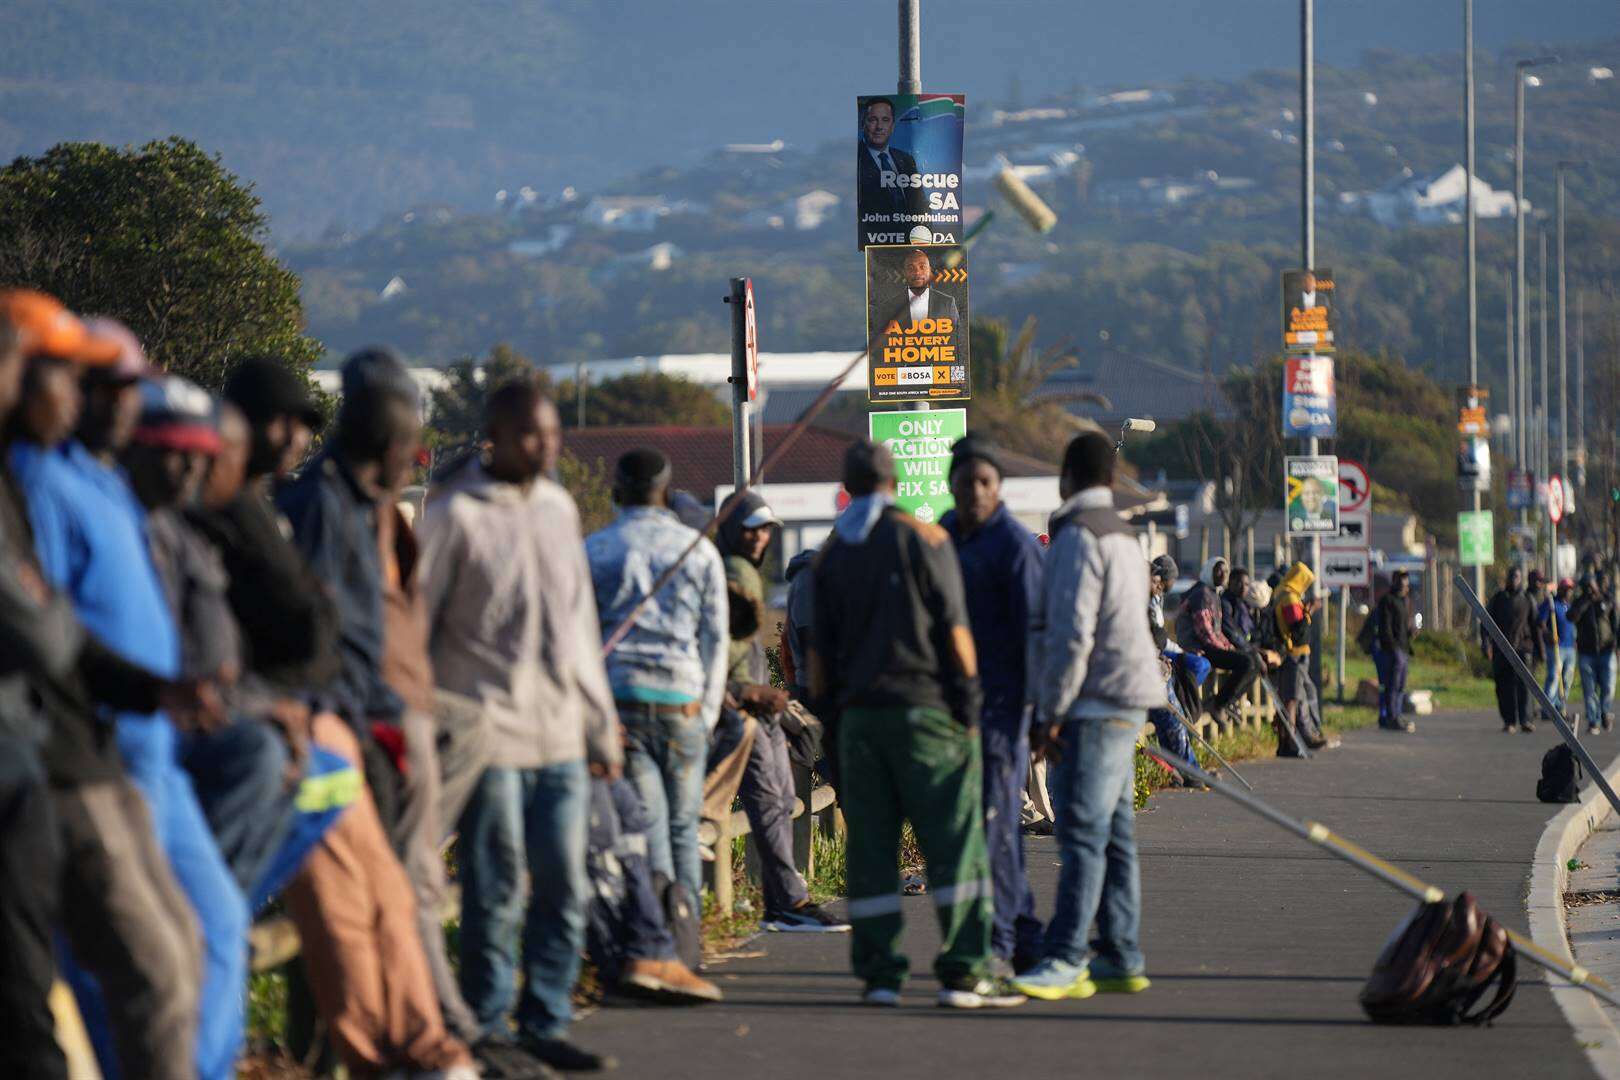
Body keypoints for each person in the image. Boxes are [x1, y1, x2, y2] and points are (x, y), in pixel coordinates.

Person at [10, 318, 250, 1080]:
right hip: (67, 758)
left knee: (196, 939)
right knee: (140, 967)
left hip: (138, 746)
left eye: (122, 388)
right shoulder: (36, 479)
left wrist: (163, 688)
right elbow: (47, 633)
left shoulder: (102, 480)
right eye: (93, 384)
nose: (110, 402)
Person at [275, 349, 476, 1077]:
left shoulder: (368, 511)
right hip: (346, 737)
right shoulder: (320, 510)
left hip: (385, 729)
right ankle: (355, 1051)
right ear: (388, 443)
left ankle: (416, 1042)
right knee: (346, 911)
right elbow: (319, 642)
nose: (413, 457)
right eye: (408, 443)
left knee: (391, 899)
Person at [421, 376, 621, 1073]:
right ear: (496, 438)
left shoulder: (561, 508)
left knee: (564, 884)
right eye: (532, 435)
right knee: (496, 885)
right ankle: (485, 1025)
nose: (546, 447)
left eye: (553, 434)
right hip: (490, 732)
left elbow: (578, 624)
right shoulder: (454, 515)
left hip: (561, 730)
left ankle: (546, 1019)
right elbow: (418, 621)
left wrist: (601, 724)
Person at [810, 439, 1020, 1009]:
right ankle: (967, 971)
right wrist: (972, 711)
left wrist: (834, 724)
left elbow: (818, 661)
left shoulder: (830, 555)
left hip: (858, 722)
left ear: (848, 487)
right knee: (955, 843)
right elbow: (956, 633)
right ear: (896, 481)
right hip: (927, 715)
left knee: (872, 852)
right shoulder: (926, 539)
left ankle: (880, 974)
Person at [1013, 431, 1162, 1003]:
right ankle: (1121, 954)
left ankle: (1067, 956)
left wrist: (1049, 712)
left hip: (1094, 702)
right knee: (1115, 833)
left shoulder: (1077, 536)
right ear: (1111, 478)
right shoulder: (1123, 533)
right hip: (1128, 696)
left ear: (1065, 478)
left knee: (1081, 832)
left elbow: (1071, 633)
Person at [584, 448, 728, 908]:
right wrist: (705, 713)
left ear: (616, 493)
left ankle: (659, 939)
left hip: (622, 706)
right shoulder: (699, 550)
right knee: (684, 827)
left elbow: (579, 638)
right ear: (666, 493)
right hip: (683, 705)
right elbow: (716, 639)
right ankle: (688, 933)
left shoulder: (595, 550)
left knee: (649, 829)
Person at [715, 489, 848, 933]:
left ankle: (786, 901)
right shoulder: (733, 574)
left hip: (753, 706)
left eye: (765, 529)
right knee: (753, 804)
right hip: (736, 708)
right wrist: (756, 692)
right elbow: (714, 655)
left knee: (774, 801)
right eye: (750, 529)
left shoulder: (744, 572)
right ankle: (779, 901)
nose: (759, 538)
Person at [941, 434, 1044, 973]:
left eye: (984, 482)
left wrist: (1042, 714)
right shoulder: (946, 535)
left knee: (996, 826)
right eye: (965, 482)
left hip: (1005, 708)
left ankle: (1000, 944)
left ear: (998, 487)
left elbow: (1037, 635)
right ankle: (1027, 940)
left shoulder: (1015, 546)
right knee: (988, 827)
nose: (975, 492)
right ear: (951, 485)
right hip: (956, 708)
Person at [1174, 556, 1259, 720]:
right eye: (1218, 570)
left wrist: (1228, 646)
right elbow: (1205, 632)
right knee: (1247, 663)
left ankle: (1225, 702)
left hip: (1209, 645)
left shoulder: (1213, 593)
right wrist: (1225, 648)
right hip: (1199, 647)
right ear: (1208, 571)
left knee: (1253, 661)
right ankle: (1219, 704)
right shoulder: (1201, 594)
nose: (1223, 574)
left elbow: (1217, 630)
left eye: (1226, 571)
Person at [1272, 562, 1327, 756]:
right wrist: (1309, 612)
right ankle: (1289, 743)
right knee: (1292, 699)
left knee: (1294, 697)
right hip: (1294, 654)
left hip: (1292, 654)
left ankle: (1291, 741)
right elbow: (1298, 630)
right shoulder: (1289, 598)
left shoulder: (1282, 592)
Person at [877, 247, 964, 359]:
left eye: (922, 267)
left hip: (938, 370)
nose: (917, 272)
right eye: (911, 268)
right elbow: (882, 347)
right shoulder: (889, 306)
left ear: (930, 271)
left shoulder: (947, 303)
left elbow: (956, 340)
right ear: (904, 273)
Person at [1483, 566, 1537, 734]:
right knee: (1504, 687)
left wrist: (1539, 651)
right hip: (1502, 649)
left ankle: (1526, 720)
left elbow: (1535, 626)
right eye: (1511, 576)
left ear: (1521, 579)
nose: (1514, 579)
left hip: (1523, 649)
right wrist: (1486, 644)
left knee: (1525, 687)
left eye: (1517, 576)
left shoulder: (1528, 599)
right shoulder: (1498, 599)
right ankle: (1509, 720)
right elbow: (1485, 622)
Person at [857, 96, 926, 220]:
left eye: (885, 120)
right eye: (873, 120)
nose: (879, 127)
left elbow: (919, 203)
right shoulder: (858, 160)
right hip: (876, 235)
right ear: (863, 124)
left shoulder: (906, 160)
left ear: (893, 126)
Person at [1570, 573, 1618, 735]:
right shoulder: (1580, 602)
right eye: (1585, 588)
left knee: (1608, 687)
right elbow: (1571, 617)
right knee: (1589, 690)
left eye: (1591, 586)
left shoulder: (1607, 600)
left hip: (1607, 650)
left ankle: (1605, 712)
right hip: (1587, 653)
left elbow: (1615, 624)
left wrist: (1617, 646)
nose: (1589, 590)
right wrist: (1586, 601)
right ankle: (1593, 720)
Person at [1371, 570, 1415, 734]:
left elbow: (1403, 627)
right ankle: (1391, 717)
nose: (1406, 586)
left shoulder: (1404, 601)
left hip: (1403, 649)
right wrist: (1393, 648)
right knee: (1392, 685)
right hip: (1393, 651)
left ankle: (1397, 714)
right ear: (1396, 582)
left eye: (1407, 583)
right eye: (1403, 583)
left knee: (1401, 685)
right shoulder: (1387, 601)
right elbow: (1386, 628)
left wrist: (1411, 632)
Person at [1538, 577, 1578, 719]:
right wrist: (1549, 635)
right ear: (1560, 589)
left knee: (1567, 680)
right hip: (1556, 647)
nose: (1569, 592)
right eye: (1567, 589)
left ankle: (1561, 707)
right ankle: (1548, 708)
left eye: (1570, 590)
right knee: (1554, 677)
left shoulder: (1570, 606)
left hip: (1570, 648)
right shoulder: (1551, 603)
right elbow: (1541, 623)